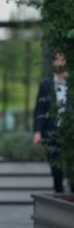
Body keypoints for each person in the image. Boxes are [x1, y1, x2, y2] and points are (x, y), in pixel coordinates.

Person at [33, 50, 70, 193]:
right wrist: (37, 131)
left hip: (69, 133)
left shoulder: (72, 84)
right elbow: (39, 109)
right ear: (53, 63)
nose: (60, 63)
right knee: (56, 169)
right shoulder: (46, 85)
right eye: (57, 60)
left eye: (63, 60)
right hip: (51, 132)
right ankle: (59, 198)